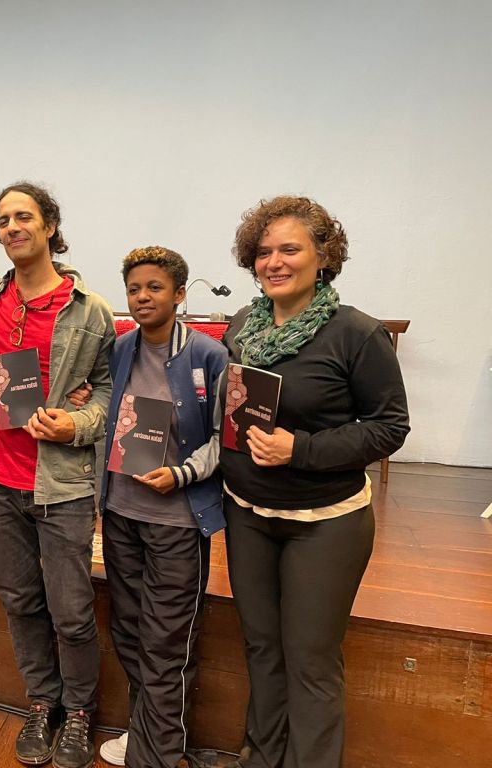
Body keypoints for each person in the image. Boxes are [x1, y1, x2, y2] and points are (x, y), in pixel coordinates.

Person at [220, 197, 409, 768]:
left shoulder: (356, 333)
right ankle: (261, 756)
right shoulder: (241, 326)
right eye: (263, 252)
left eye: (290, 249)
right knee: (261, 647)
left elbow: (390, 427)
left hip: (324, 522)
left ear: (323, 256)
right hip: (247, 513)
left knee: (310, 659)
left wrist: (299, 449)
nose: (274, 262)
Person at [0, 182, 114, 768]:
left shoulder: (89, 309)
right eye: (3, 220)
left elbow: (107, 391)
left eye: (23, 216)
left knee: (71, 609)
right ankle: (43, 701)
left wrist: (77, 423)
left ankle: (79, 712)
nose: (12, 228)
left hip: (62, 484)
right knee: (20, 600)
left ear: (50, 225)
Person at [97, 247, 228, 768]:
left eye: (154, 287)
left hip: (177, 521)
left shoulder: (208, 355)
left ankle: (159, 754)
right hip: (121, 514)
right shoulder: (120, 349)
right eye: (134, 289)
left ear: (178, 294)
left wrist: (181, 473)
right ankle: (146, 733)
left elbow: (224, 436)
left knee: (167, 641)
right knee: (129, 632)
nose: (142, 297)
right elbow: (106, 409)